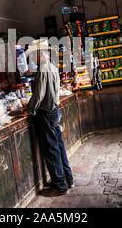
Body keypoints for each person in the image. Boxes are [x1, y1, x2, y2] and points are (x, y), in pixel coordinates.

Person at [25, 39, 74, 197]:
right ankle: (68, 179)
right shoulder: (52, 67)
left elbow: (38, 95)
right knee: (59, 148)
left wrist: (29, 109)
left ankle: (60, 186)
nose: (32, 58)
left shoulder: (43, 70)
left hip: (45, 115)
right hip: (54, 112)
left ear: (39, 55)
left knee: (51, 151)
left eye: (33, 55)